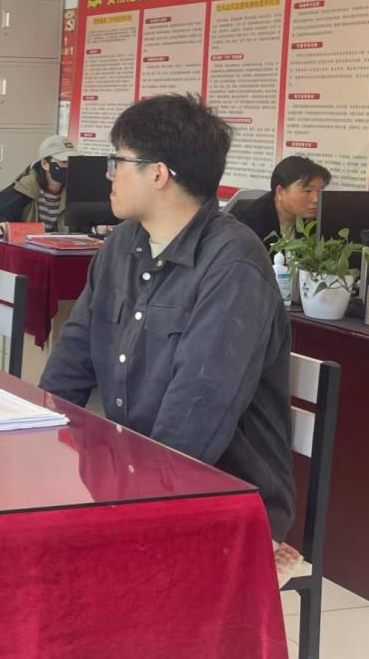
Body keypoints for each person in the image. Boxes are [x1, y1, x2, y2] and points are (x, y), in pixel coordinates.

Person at [39, 94, 294, 541]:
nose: (109, 174)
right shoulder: (122, 245)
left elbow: (197, 409)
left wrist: (132, 507)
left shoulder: (233, 264)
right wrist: (35, 438)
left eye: (117, 161)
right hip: (130, 473)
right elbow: (73, 359)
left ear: (158, 174)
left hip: (217, 494)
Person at [0, 135, 77, 236]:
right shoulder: (23, 190)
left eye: (72, 161)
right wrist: (0, 225)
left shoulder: (77, 192)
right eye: (63, 162)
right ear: (45, 164)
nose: (69, 166)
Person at [231, 155, 331, 248]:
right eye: (307, 191)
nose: (316, 199)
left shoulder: (319, 221)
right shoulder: (249, 224)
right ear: (280, 192)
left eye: (320, 191)